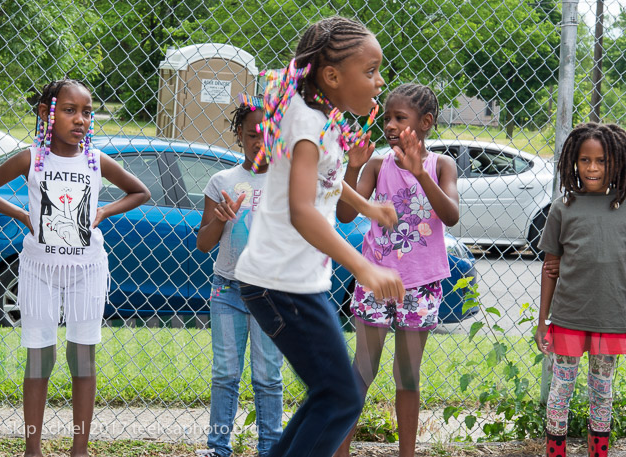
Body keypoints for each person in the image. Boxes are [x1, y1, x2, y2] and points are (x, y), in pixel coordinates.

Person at [234, 16, 405, 457]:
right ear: (331, 76)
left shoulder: (318, 119)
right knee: (341, 396)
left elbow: (327, 179)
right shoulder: (307, 127)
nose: (379, 81)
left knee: (332, 393)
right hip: (280, 283)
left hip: (291, 283)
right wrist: (364, 267)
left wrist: (366, 207)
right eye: (370, 72)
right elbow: (302, 212)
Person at [0, 79, 150, 457]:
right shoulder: (32, 158)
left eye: (87, 112)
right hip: (39, 269)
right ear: (47, 113)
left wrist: (104, 210)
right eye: (70, 110)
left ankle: (79, 448)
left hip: (86, 270)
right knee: (40, 355)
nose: (81, 120)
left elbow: (140, 192)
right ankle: (33, 449)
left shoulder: (95, 160)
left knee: (82, 357)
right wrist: (23, 215)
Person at [333, 83, 459, 457]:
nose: (388, 124)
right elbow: (345, 214)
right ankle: (340, 451)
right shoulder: (376, 164)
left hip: (419, 286)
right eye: (386, 117)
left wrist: (421, 174)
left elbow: (450, 215)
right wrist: (354, 166)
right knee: (363, 371)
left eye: (399, 118)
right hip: (376, 280)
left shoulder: (441, 166)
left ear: (426, 122)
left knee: (406, 375)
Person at [534, 123, 626, 457]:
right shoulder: (562, 208)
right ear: (574, 162)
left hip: (608, 317)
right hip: (567, 316)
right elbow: (550, 267)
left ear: (617, 162)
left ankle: (599, 453)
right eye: (585, 160)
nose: (592, 168)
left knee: (602, 391)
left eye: (601, 160)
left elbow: (623, 260)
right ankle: (556, 452)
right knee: (560, 390)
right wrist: (543, 321)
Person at [195, 98, 283, 457]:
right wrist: (221, 217)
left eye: (267, 134)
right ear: (238, 135)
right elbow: (203, 243)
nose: (259, 142)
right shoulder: (223, 181)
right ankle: (218, 448)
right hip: (228, 290)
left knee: (268, 378)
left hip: (272, 294)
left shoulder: (287, 182)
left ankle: (271, 448)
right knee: (225, 375)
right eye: (251, 135)